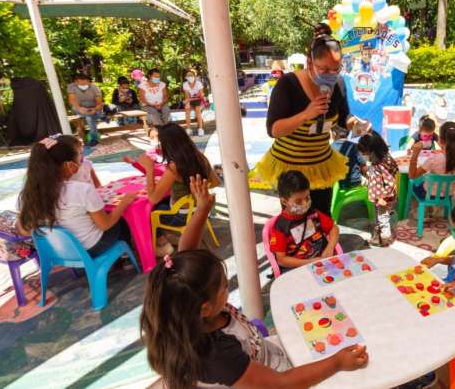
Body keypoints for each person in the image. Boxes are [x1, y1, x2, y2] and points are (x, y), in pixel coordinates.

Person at [140, 177, 368, 389]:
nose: (226, 288)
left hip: (266, 355)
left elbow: (186, 253)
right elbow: (280, 384)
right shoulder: (217, 354)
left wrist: (203, 209)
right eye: (223, 287)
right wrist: (336, 363)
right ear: (205, 308)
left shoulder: (184, 305)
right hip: (277, 376)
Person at [255, 24, 369, 215]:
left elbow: (343, 118)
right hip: (290, 166)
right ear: (309, 63)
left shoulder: (339, 84)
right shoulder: (288, 84)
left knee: (322, 216)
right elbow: (273, 129)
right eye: (323, 69)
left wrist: (357, 124)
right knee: (297, 220)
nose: (330, 75)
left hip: (321, 165)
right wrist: (306, 114)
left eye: (336, 69)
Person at [17, 135, 135, 257]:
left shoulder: (29, 193)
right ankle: (124, 257)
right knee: (121, 220)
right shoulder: (81, 190)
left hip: (59, 252)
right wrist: (124, 202)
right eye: (79, 155)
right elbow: (105, 224)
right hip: (90, 249)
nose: (82, 160)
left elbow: (24, 230)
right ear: (69, 165)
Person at [136, 123, 219, 252]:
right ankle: (169, 237)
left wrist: (149, 169)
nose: (159, 146)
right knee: (163, 201)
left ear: (168, 145)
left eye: (160, 143)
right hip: (200, 209)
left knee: (146, 211)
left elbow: (152, 198)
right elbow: (215, 182)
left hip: (182, 216)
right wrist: (194, 191)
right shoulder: (200, 157)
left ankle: (162, 244)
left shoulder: (174, 166)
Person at [269, 171, 339, 272]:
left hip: (321, 261)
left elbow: (334, 228)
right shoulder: (280, 227)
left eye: (307, 197)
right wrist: (311, 262)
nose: (305, 203)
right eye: (298, 201)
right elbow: (281, 260)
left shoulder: (313, 213)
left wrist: (330, 247)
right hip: (297, 268)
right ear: (284, 201)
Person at [409, 121, 455, 200]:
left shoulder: (434, 159)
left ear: (440, 140)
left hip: (429, 195)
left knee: (414, 184)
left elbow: (412, 175)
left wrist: (415, 154)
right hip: (448, 195)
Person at [357, 132, 399, 247]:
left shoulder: (377, 167)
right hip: (391, 194)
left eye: (364, 153)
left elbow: (380, 183)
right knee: (386, 214)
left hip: (382, 197)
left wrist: (380, 197)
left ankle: (385, 239)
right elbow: (395, 171)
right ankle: (382, 234)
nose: (363, 155)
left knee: (382, 217)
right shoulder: (388, 158)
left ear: (372, 152)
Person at [67, 73, 103, 147]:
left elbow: (99, 103)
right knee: (89, 116)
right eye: (81, 84)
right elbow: (71, 100)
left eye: (85, 84)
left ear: (89, 82)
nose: (84, 86)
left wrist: (95, 109)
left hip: (93, 108)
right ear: (75, 82)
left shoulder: (95, 87)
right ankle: (102, 116)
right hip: (79, 108)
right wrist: (79, 108)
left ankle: (94, 139)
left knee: (89, 117)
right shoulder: (71, 86)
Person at [182, 69, 206, 136]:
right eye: (188, 75)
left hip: (200, 100)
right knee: (187, 110)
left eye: (191, 75)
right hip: (190, 99)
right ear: (186, 77)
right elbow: (186, 96)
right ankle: (189, 129)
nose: (190, 77)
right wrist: (188, 102)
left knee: (197, 110)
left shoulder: (199, 83)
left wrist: (188, 100)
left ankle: (200, 129)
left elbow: (201, 95)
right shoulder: (185, 84)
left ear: (194, 76)